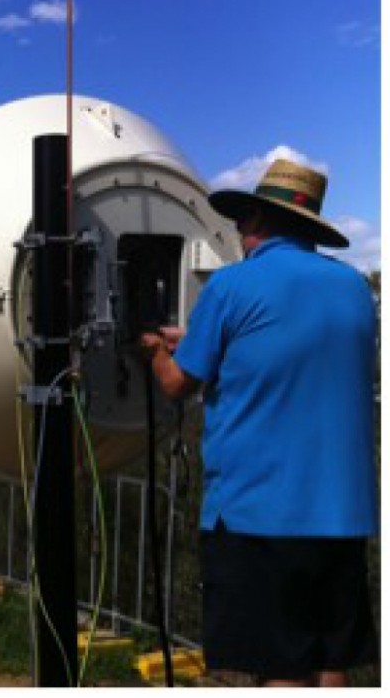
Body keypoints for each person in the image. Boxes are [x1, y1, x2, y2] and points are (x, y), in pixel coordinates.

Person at [139, 158, 377, 687]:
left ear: (256, 222)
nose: (240, 230)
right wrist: (208, 341)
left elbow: (178, 383)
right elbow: (287, 351)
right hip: (342, 511)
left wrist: (156, 350)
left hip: (261, 512)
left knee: (280, 665)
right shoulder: (353, 288)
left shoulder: (231, 287)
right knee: (327, 659)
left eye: (243, 220)